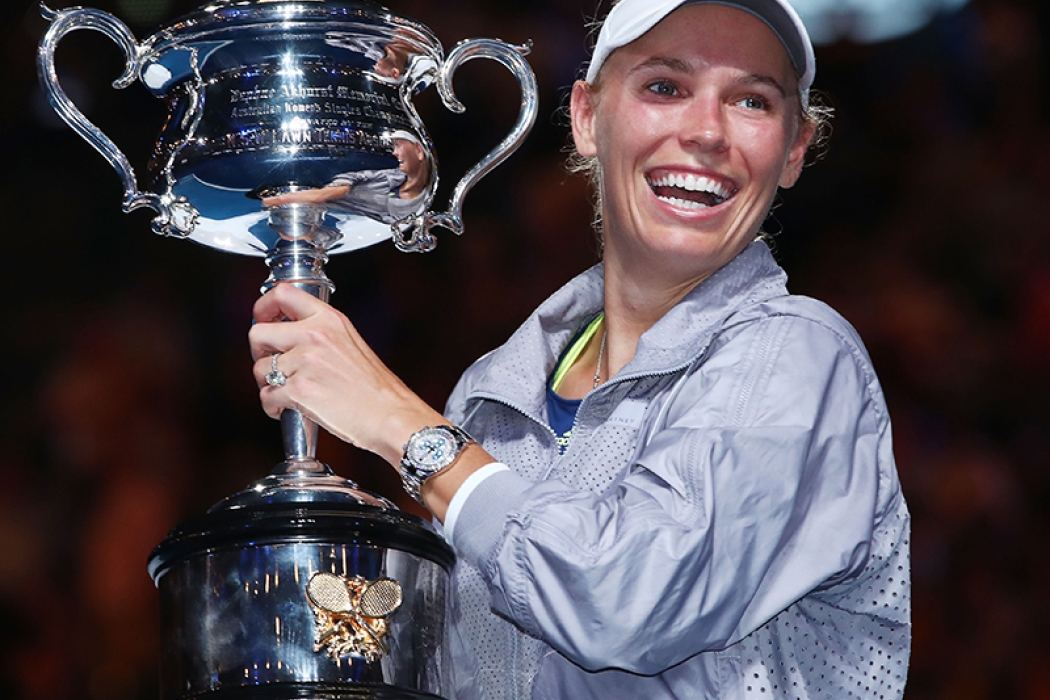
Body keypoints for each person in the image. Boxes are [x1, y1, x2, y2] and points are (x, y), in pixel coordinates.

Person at [248, 0, 912, 698]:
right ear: (587, 117)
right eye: (666, 87)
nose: (708, 131)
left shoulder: (802, 356)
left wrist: (399, 425)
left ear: (794, 150)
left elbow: (623, 602)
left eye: (751, 100)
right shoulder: (489, 396)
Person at [262, 131, 430, 225]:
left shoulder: (423, 205)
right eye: (394, 146)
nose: (394, 152)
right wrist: (342, 185)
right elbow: (328, 193)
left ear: (418, 150)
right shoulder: (389, 176)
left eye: (398, 146)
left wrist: (276, 200)